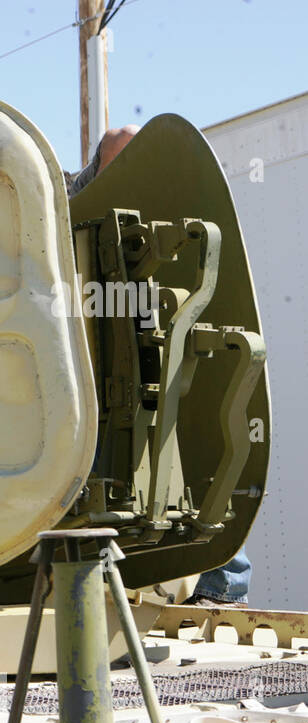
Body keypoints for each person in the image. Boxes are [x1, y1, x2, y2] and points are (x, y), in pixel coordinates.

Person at [65, 126, 251, 608]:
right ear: (101, 166)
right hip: (87, 345)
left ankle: (221, 582)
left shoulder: (143, 216)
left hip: (139, 322)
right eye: (122, 162)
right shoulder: (65, 201)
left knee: (179, 435)